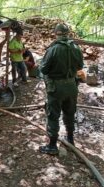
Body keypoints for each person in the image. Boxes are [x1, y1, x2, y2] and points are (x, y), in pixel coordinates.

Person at [38, 23, 84, 155]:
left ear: (56, 33)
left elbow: (43, 69)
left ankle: (52, 146)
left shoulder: (53, 49)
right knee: (70, 113)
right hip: (72, 86)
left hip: (56, 87)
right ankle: (70, 139)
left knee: (53, 115)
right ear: (68, 34)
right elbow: (80, 65)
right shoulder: (76, 47)